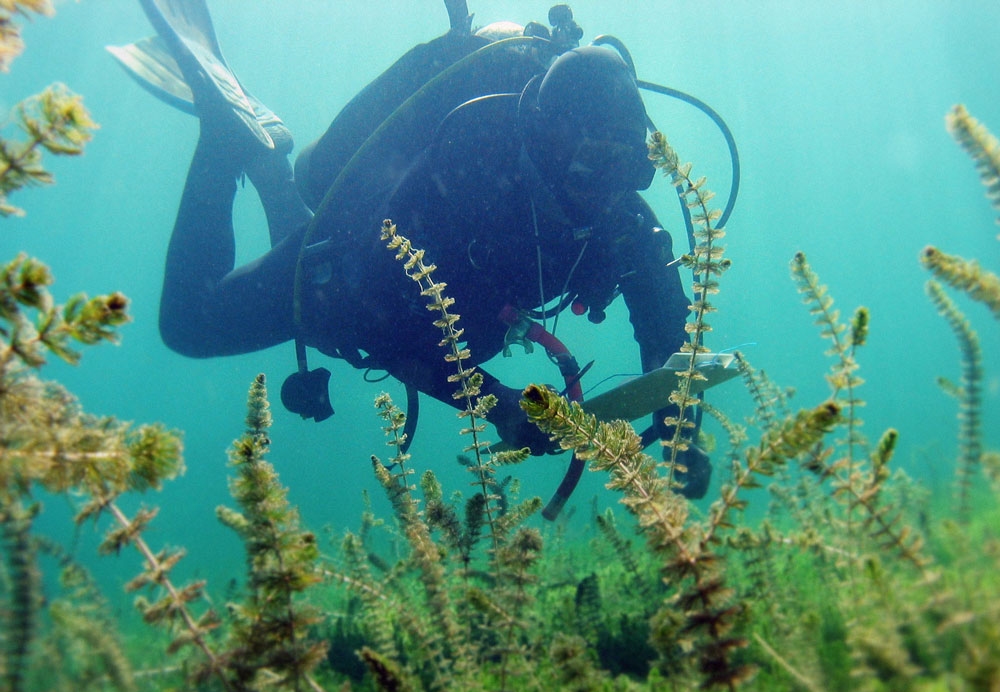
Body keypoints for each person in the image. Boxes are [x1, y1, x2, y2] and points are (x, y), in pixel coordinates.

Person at [116, 0, 712, 499]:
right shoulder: (469, 175)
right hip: (357, 280)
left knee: (455, 316)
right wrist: (502, 406)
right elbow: (388, 327)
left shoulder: (615, 202)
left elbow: (661, 303)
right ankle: (225, 145)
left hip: (439, 308)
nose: (610, 186)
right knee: (190, 324)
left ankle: (268, 161)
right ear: (550, 142)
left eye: (632, 166)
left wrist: (679, 415)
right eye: (594, 161)